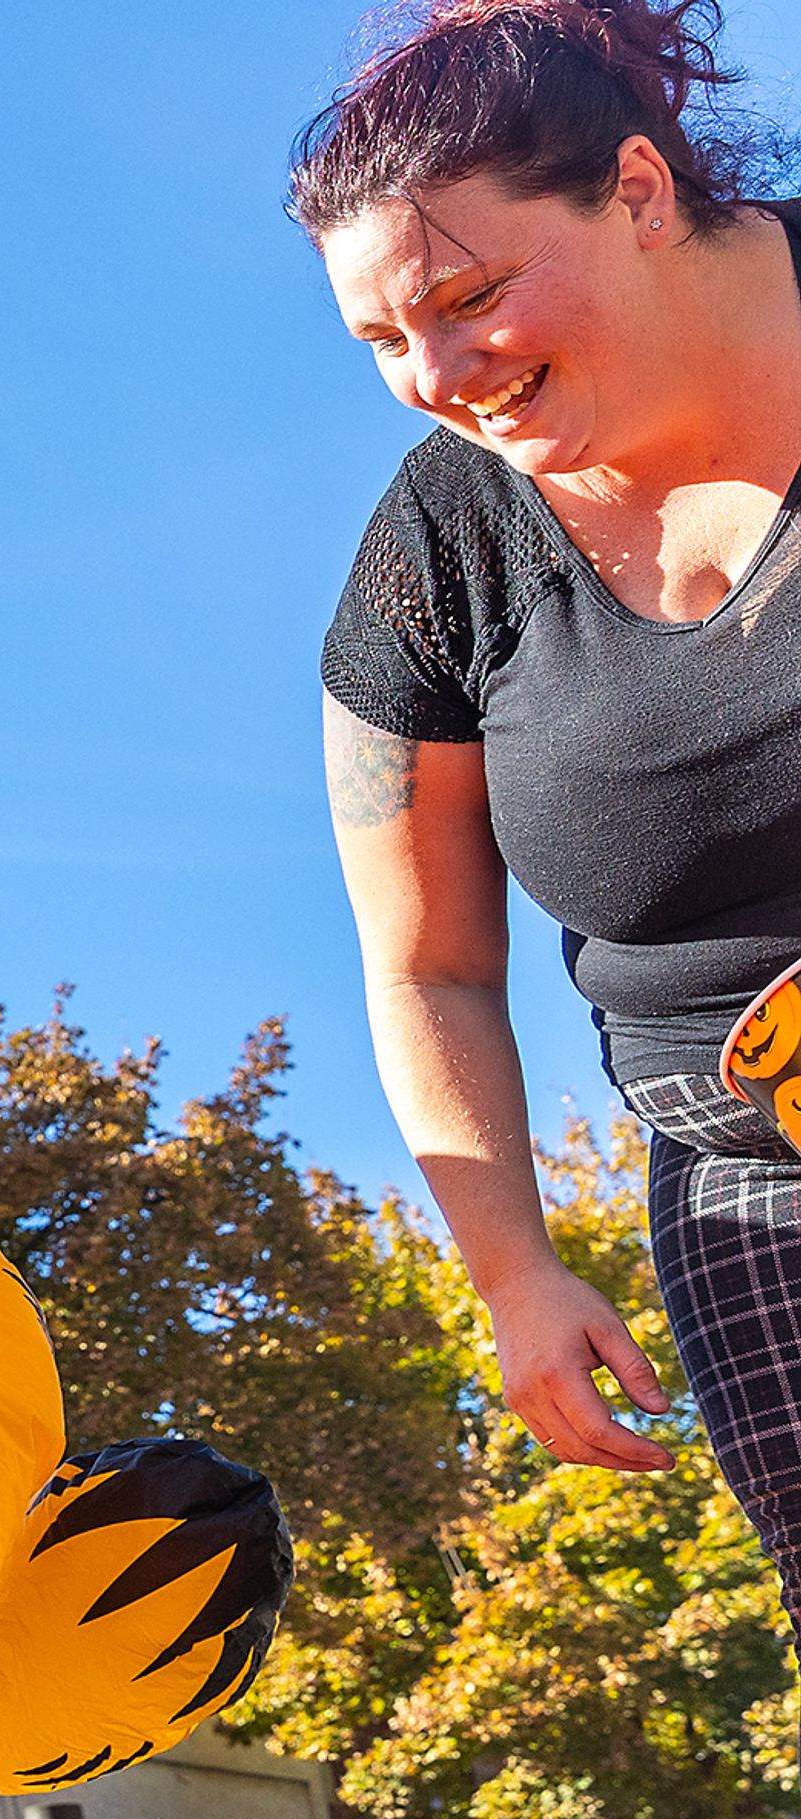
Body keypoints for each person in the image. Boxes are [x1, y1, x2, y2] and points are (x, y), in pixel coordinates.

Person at [301, 2, 801, 1591]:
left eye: (468, 295)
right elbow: (425, 959)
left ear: (641, 193)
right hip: (752, 1173)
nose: (437, 373)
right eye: (383, 341)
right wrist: (512, 1270)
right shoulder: (437, 557)